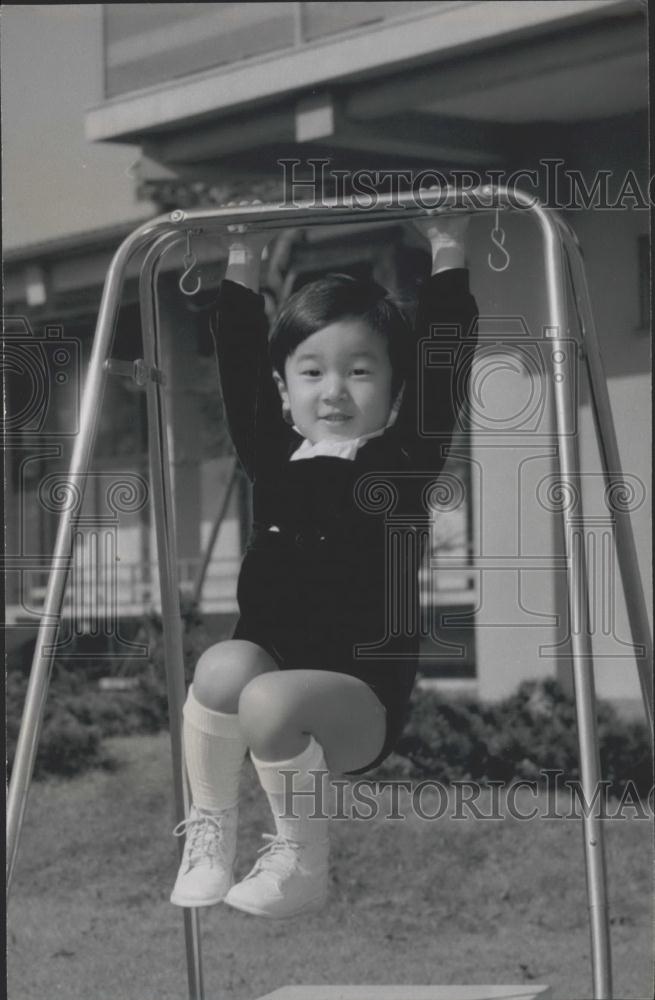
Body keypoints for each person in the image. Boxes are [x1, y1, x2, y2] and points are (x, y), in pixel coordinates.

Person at [170, 212, 479, 919]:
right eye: (311, 372)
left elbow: (445, 357)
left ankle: (302, 862)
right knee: (221, 666)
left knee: (266, 699)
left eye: (359, 370)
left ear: (395, 391)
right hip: (266, 693)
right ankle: (210, 836)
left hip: (356, 706)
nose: (333, 390)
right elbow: (239, 356)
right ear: (283, 391)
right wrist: (241, 255)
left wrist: (447, 246)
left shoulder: (403, 461)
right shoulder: (271, 459)